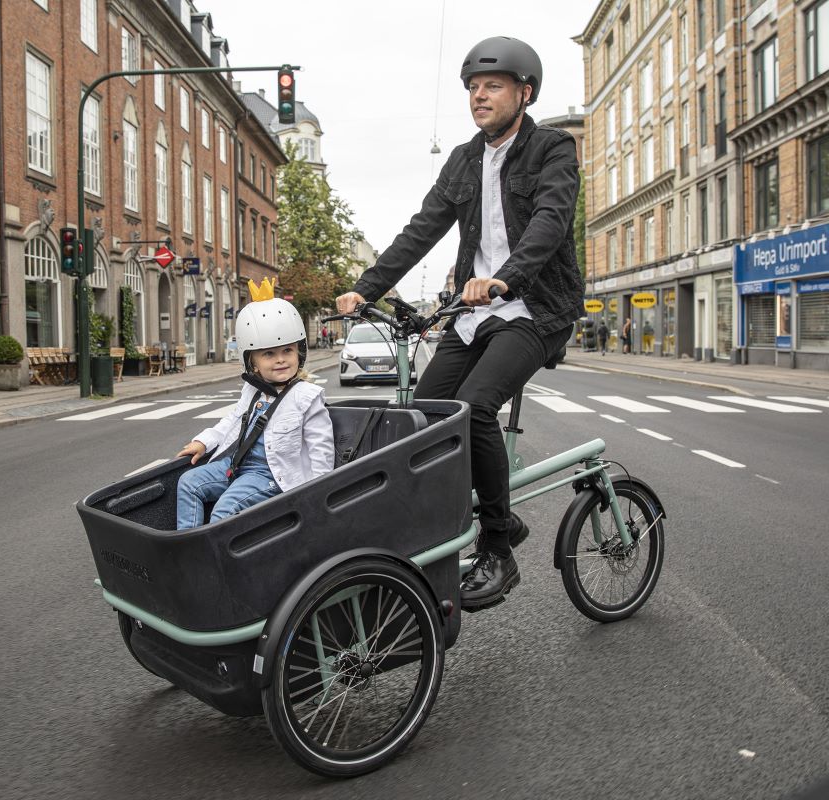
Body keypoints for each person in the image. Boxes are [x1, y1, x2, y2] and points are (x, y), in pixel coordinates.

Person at [335, 36, 583, 610]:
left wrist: (505, 278)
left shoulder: (553, 149)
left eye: (492, 86)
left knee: (472, 412)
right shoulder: (464, 160)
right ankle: (455, 524)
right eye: (473, 88)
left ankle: (499, 546)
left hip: (534, 308)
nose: (479, 96)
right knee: (422, 419)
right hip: (474, 315)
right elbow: (422, 230)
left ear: (524, 92)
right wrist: (364, 288)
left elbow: (549, 221)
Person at [174, 278, 334, 530]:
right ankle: (188, 544)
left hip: (271, 475)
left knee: (224, 511)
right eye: (269, 353)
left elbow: (321, 449)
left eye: (287, 351)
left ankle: (210, 562)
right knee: (188, 483)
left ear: (299, 353)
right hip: (237, 464)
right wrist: (203, 442)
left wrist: (318, 494)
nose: (280, 360)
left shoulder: (306, 396)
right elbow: (232, 421)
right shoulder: (253, 390)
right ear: (253, 363)